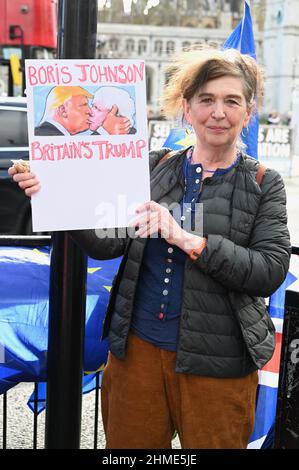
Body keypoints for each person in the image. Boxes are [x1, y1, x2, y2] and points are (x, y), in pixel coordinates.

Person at [9, 47, 291, 449]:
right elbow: (110, 243)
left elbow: (269, 270)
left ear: (248, 113)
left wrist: (187, 238)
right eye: (206, 100)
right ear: (187, 109)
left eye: (232, 101)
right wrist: (53, 196)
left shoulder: (264, 182)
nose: (218, 112)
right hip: (136, 354)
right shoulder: (155, 166)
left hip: (219, 363)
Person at [34, 85, 132, 136]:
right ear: (63, 110)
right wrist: (105, 132)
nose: (90, 111)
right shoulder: (46, 135)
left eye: (97, 108)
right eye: (83, 105)